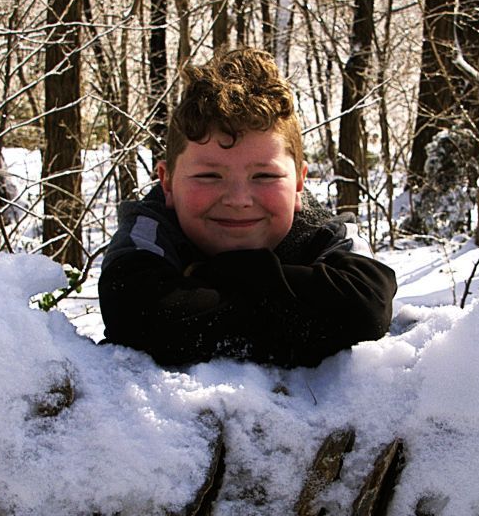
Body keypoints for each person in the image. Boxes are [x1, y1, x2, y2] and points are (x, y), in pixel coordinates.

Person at [99, 49, 396, 368]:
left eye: (265, 175)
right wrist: (294, 309)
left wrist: (208, 280)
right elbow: (133, 311)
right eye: (209, 175)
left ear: (299, 182)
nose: (238, 199)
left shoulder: (324, 230)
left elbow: (366, 308)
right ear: (167, 182)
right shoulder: (149, 227)